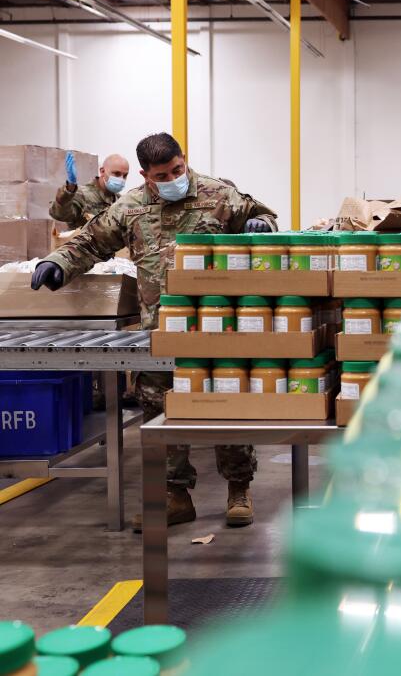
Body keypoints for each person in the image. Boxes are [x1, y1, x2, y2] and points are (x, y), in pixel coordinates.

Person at [31, 133, 277, 530]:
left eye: (178, 170)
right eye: (162, 175)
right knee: (160, 408)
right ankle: (175, 496)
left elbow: (266, 217)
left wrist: (258, 226)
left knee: (226, 404)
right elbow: (91, 242)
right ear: (146, 175)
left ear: (185, 160)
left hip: (217, 326)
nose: (173, 179)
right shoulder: (129, 208)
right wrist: (58, 262)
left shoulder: (219, 195)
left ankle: (238, 488)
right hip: (159, 331)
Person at [49, 151, 130, 229]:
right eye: (116, 174)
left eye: (125, 175)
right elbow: (59, 215)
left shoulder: (120, 201)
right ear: (102, 171)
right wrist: (70, 187)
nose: (121, 179)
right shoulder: (83, 194)